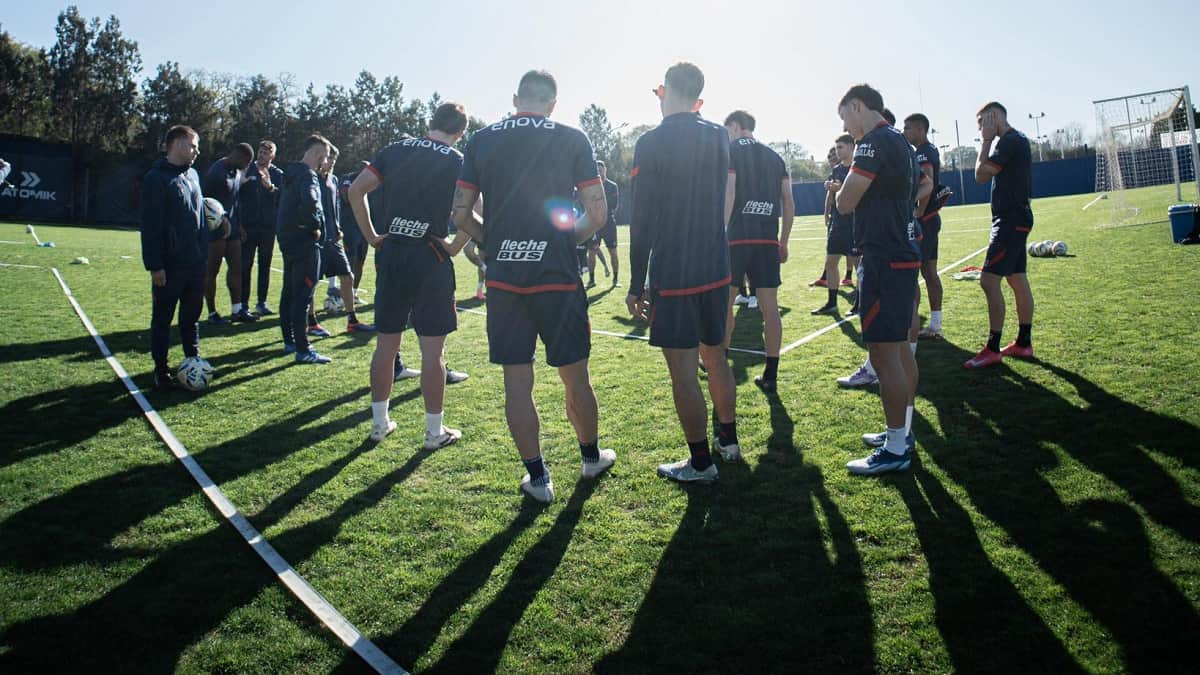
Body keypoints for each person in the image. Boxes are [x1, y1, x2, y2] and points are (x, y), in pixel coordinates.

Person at [453, 69, 616, 503]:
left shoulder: (481, 140)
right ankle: (590, 457)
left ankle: (538, 478)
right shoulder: (572, 137)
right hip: (558, 278)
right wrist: (562, 243)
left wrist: (498, 244)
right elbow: (597, 215)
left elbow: (460, 216)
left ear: (515, 99)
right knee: (576, 377)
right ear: (553, 103)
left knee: (516, 382)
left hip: (506, 281)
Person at [627, 62, 739, 483]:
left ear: (662, 90)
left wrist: (637, 284)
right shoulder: (716, 134)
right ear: (700, 98)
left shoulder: (651, 141)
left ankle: (700, 462)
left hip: (675, 270)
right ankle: (727, 441)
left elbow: (642, 220)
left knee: (684, 372)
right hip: (715, 263)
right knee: (716, 356)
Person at [348, 102, 473, 447]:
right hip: (430, 257)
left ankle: (379, 424)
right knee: (433, 354)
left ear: (430, 122)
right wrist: (455, 245)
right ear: (460, 131)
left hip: (392, 256)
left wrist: (373, 236)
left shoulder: (395, 150)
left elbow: (355, 190)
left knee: (386, 346)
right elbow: (478, 209)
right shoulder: (457, 160)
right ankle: (434, 433)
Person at [834, 84, 928, 476]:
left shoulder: (873, 141)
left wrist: (841, 187)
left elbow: (845, 201)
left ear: (858, 107)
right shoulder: (901, 143)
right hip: (902, 254)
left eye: (845, 119)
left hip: (883, 257)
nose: (847, 130)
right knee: (903, 352)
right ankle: (901, 433)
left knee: (884, 355)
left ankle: (895, 448)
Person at [722, 109, 793, 391]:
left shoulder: (730, 151)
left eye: (727, 128)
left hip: (736, 240)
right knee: (770, 309)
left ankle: (721, 365)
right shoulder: (775, 157)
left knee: (725, 305)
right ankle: (771, 374)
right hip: (767, 241)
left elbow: (729, 192)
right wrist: (783, 241)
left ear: (736, 127)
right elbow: (788, 201)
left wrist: (718, 233)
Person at [965, 101, 1036, 369]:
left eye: (982, 121)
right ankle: (1023, 343)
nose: (981, 128)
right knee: (1017, 279)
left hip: (1010, 220)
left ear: (994, 117)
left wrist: (984, 142)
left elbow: (981, 175)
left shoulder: (1008, 142)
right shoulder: (1013, 140)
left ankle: (993, 348)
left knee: (988, 281)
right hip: (1014, 218)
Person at [140, 125, 209, 390]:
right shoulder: (155, 179)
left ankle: (193, 360)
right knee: (162, 319)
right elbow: (151, 226)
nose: (197, 151)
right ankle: (161, 369)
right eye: (193, 145)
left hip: (195, 263)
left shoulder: (193, 175)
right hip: (169, 266)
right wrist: (155, 265)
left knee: (191, 318)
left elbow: (199, 216)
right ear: (178, 144)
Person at [277, 134, 333, 364]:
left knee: (289, 290)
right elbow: (310, 202)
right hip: (304, 242)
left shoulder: (288, 173)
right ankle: (303, 348)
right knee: (303, 294)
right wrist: (315, 227)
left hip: (287, 238)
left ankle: (289, 340)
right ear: (319, 153)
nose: (326, 161)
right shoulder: (308, 176)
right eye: (326, 156)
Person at [313, 145, 374, 334]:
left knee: (348, 277)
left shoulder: (333, 179)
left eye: (333, 159)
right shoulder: (312, 178)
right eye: (328, 158)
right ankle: (310, 322)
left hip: (333, 236)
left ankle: (352, 320)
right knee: (311, 281)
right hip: (316, 238)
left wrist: (337, 226)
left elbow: (334, 206)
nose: (330, 162)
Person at [202, 143, 257, 324]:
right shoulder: (216, 172)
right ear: (237, 155)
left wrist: (238, 224)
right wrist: (219, 220)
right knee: (212, 270)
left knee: (236, 267)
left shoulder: (237, 172)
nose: (247, 165)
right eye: (246, 161)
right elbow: (205, 202)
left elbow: (235, 201)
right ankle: (212, 313)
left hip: (232, 227)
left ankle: (237, 310)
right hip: (215, 229)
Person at [904, 114, 946, 339]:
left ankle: (914, 325)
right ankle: (935, 324)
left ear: (921, 130)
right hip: (931, 220)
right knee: (929, 272)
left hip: (925, 221)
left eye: (908, 128)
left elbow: (927, 183)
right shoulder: (931, 151)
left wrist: (918, 212)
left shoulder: (922, 153)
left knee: (917, 272)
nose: (905, 132)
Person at [813, 134, 858, 315]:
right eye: (836, 147)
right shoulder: (837, 169)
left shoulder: (858, 168)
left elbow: (857, 194)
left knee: (858, 264)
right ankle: (832, 302)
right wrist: (827, 211)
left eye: (841, 147)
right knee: (831, 262)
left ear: (851, 147)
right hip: (838, 223)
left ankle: (860, 303)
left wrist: (840, 189)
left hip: (855, 223)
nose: (837, 151)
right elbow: (832, 195)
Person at [239, 140, 283, 316]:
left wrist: (270, 187)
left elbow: (284, 196)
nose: (262, 154)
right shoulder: (246, 169)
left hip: (267, 227)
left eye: (266, 152)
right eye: (261, 151)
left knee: (265, 265)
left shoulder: (277, 173)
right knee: (245, 265)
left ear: (273, 155)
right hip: (248, 226)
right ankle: (243, 304)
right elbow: (236, 195)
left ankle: (261, 302)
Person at [338, 161, 373, 307]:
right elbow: (346, 197)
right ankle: (342, 296)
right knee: (349, 262)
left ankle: (354, 292)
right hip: (350, 226)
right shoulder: (348, 178)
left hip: (363, 227)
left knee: (360, 261)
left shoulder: (371, 183)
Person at [594, 159, 621, 287]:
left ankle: (616, 280)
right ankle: (591, 280)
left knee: (613, 251)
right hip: (595, 222)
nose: (599, 171)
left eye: (601, 169)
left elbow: (613, 205)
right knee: (592, 250)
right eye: (597, 170)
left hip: (609, 223)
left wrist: (599, 202)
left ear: (605, 170)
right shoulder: (591, 186)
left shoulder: (612, 185)